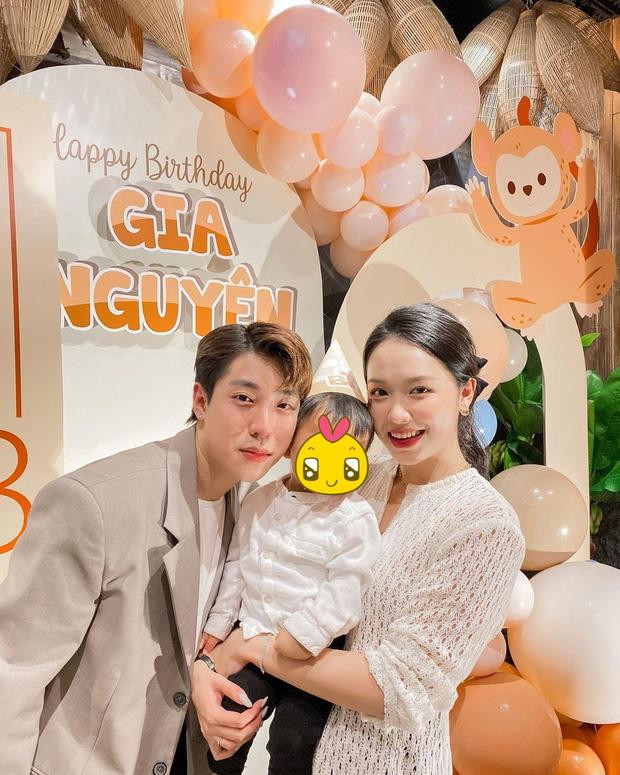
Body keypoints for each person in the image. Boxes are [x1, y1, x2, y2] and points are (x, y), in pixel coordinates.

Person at [196, 303, 526, 775]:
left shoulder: (484, 525)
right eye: (380, 392)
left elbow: (404, 688)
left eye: (419, 390)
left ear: (465, 392)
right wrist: (207, 669)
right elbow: (270, 550)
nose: (396, 413)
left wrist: (256, 649)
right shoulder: (359, 477)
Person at [0, 322, 313, 775]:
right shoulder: (94, 503)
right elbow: (14, 673)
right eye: (245, 399)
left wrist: (206, 669)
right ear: (201, 400)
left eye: (284, 405)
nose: (264, 427)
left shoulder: (255, 511)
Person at [202, 341, 382, 775]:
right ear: (290, 447)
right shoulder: (260, 500)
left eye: (348, 456)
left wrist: (304, 634)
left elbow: (347, 587)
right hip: (254, 634)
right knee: (228, 721)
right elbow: (237, 567)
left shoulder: (354, 516)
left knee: (294, 742)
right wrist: (217, 626)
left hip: (313, 653)